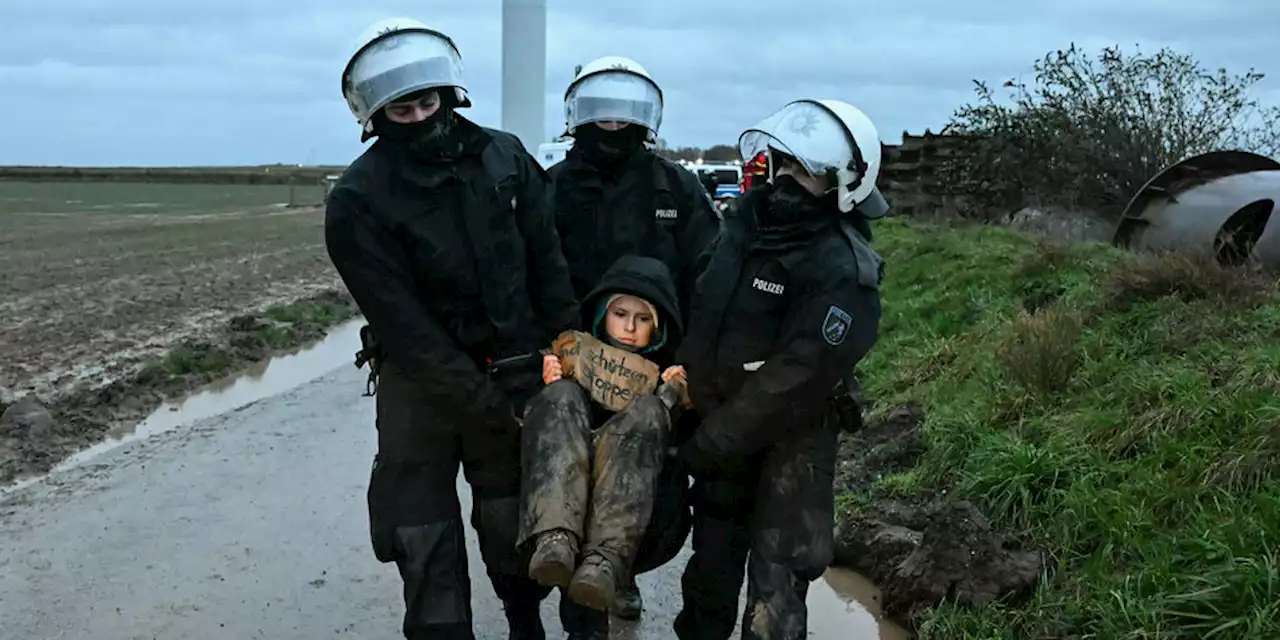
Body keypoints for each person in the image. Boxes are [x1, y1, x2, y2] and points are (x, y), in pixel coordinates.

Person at [323, 17, 580, 640]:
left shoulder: (507, 157)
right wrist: (478, 400)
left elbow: (547, 259)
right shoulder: (358, 199)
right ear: (374, 114)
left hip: (516, 363)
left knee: (508, 514)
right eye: (400, 109)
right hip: (420, 382)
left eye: (425, 101)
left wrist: (569, 346)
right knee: (418, 524)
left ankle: (525, 620)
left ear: (449, 91)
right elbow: (402, 324)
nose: (417, 116)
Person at [672, 99, 890, 640]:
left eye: (807, 172)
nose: (787, 180)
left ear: (843, 184)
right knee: (709, 576)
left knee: (777, 595)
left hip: (794, 446)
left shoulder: (845, 270)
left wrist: (713, 440)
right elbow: (703, 318)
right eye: (784, 164)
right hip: (721, 427)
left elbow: (797, 375)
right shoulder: (741, 231)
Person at [543, 54, 721, 630]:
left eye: (626, 113)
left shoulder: (678, 187)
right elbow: (530, 269)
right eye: (601, 112)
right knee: (573, 478)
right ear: (577, 114)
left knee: (646, 486)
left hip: (653, 372)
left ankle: (622, 574)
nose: (613, 123)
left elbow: (709, 276)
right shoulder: (554, 189)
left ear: (647, 117)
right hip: (574, 364)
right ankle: (581, 616)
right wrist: (555, 348)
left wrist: (688, 363)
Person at [517, 255, 690, 621]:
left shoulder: (667, 371)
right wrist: (549, 382)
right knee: (559, 398)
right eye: (620, 314)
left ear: (657, 328)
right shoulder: (576, 356)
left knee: (646, 411)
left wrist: (675, 398)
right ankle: (554, 538)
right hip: (566, 493)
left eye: (643, 319)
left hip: (633, 508)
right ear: (601, 315)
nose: (629, 327)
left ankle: (605, 560)